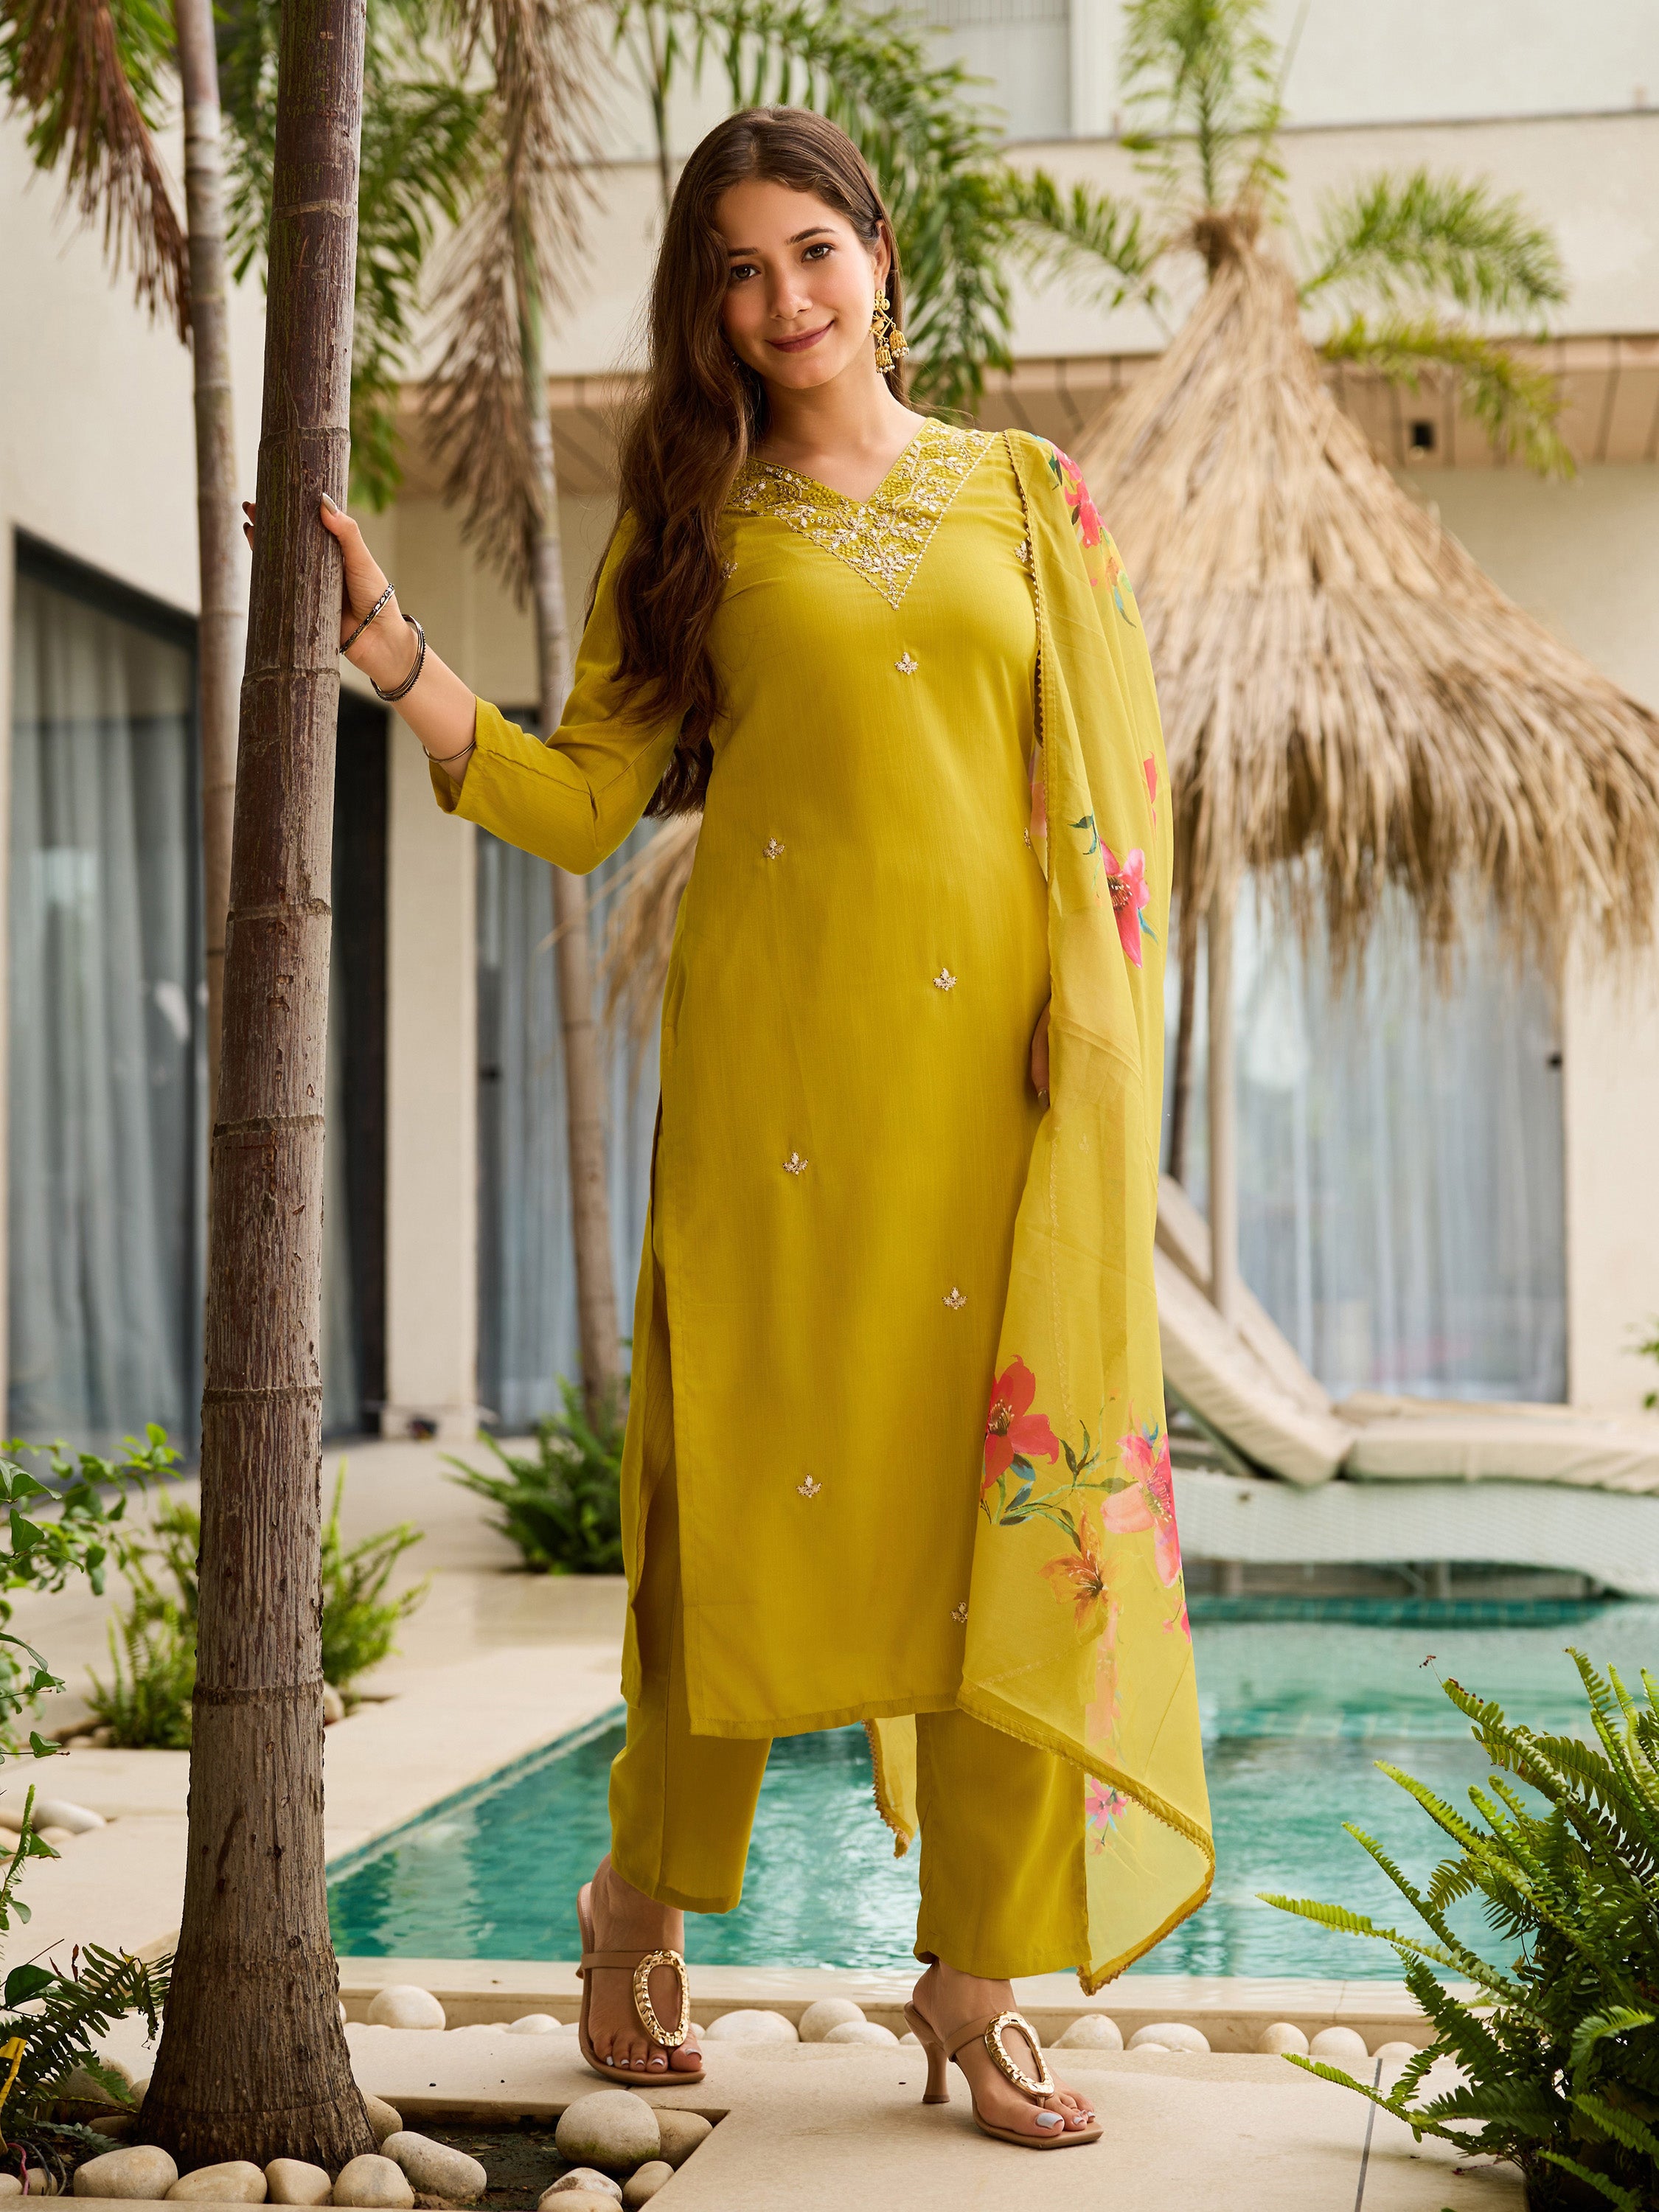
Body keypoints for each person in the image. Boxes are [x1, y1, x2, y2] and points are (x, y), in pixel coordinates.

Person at [275, 105, 1211, 2151]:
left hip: (1000, 1103)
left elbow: (1117, 801)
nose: (783, 299)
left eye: (811, 251)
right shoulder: (691, 522)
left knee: (1003, 1522)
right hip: (775, 1099)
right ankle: (635, 1902)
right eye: (736, 271)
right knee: (730, 1527)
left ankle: (972, 1987)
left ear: (879, 255)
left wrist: (1095, 1041)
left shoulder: (1025, 495)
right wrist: (395, 659)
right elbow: (584, 801)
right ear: (706, 309)